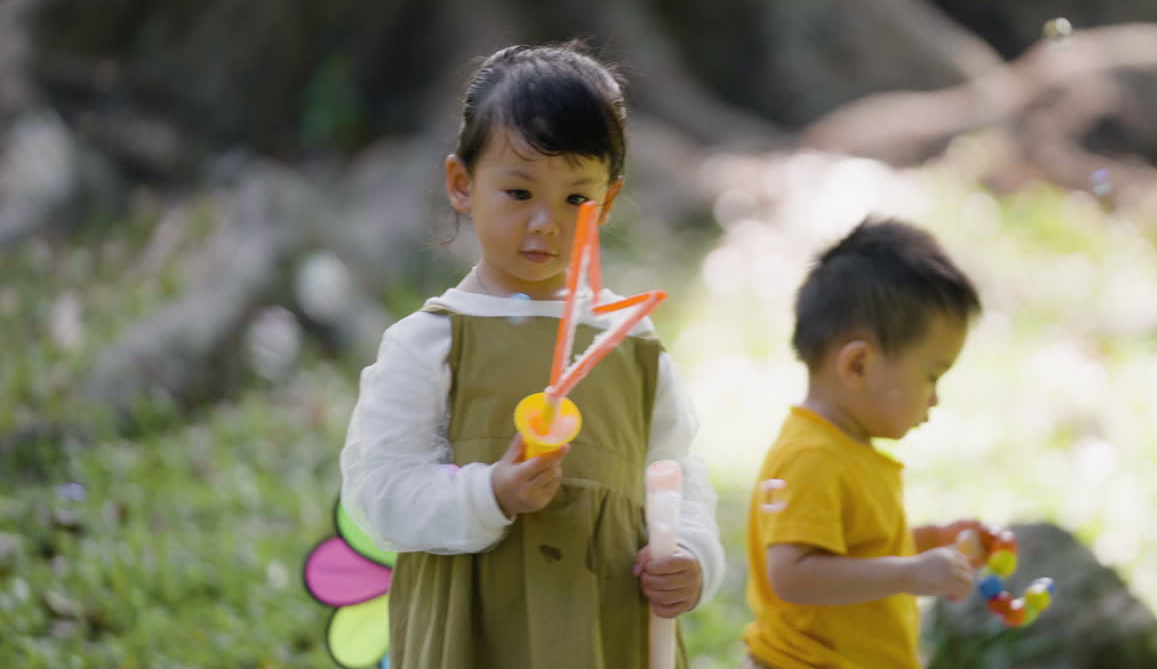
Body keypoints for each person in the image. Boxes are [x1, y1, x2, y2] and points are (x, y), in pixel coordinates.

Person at [339, 41, 724, 669]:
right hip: (476, 636)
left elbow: (676, 471)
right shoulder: (431, 343)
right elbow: (381, 492)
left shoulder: (628, 342)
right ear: (462, 184)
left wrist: (692, 553)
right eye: (519, 193)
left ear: (607, 202)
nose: (547, 222)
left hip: (610, 631)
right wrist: (490, 493)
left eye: (576, 199)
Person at [742, 217, 984, 669]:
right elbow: (793, 576)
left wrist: (929, 542)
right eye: (931, 375)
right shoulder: (810, 457)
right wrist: (910, 573)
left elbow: (856, 554)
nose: (935, 398)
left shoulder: (845, 449)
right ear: (858, 366)